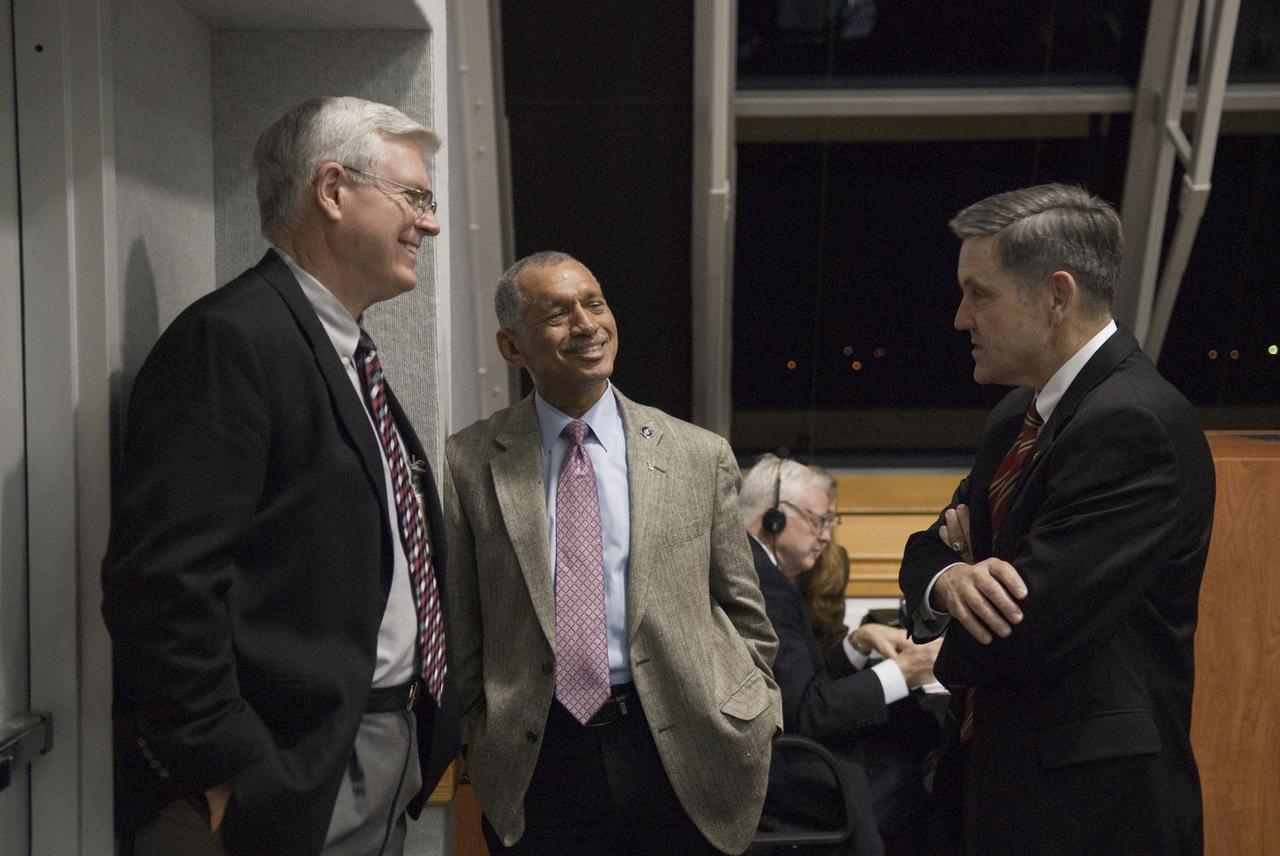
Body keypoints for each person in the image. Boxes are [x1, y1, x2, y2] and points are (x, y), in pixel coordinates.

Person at [101, 96, 457, 856]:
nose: (429, 223)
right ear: (332, 191)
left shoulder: (344, 350)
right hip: (293, 769)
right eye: (415, 197)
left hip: (380, 749)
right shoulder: (231, 341)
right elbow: (163, 581)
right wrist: (225, 763)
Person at [899, 183, 1215, 855]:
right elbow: (928, 548)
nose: (960, 318)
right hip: (999, 792)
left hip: (1093, 814)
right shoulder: (1018, 416)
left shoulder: (1134, 422)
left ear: (1057, 295)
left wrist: (931, 642)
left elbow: (1021, 623)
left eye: (979, 294)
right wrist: (948, 580)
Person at [443, 251, 783, 855]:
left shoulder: (698, 455)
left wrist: (755, 709)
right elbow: (464, 628)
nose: (586, 324)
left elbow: (745, 612)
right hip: (540, 758)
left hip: (683, 749)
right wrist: (478, 731)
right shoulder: (468, 464)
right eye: (557, 313)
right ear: (513, 347)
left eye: (594, 304)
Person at [742, 455, 941, 856]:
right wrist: (906, 672)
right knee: (923, 774)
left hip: (782, 754)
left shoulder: (763, 571)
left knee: (911, 731)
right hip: (785, 773)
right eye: (819, 521)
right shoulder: (764, 584)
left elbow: (799, 687)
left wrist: (857, 643)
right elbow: (809, 712)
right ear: (776, 518)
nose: (826, 537)